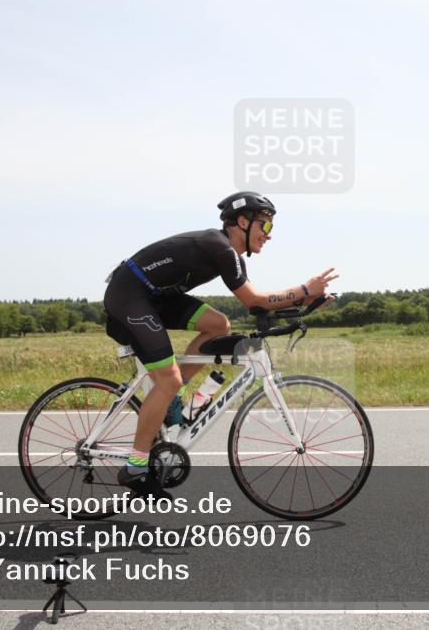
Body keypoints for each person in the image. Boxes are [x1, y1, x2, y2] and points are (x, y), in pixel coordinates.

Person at [103, 191, 337, 499]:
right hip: (130, 295)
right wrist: (304, 287)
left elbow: (259, 307)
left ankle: (172, 400)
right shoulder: (219, 247)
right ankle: (135, 468)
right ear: (243, 221)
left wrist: (304, 302)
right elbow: (254, 299)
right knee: (167, 379)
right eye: (265, 227)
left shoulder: (229, 254)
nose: (268, 236)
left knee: (218, 326)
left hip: (154, 297)